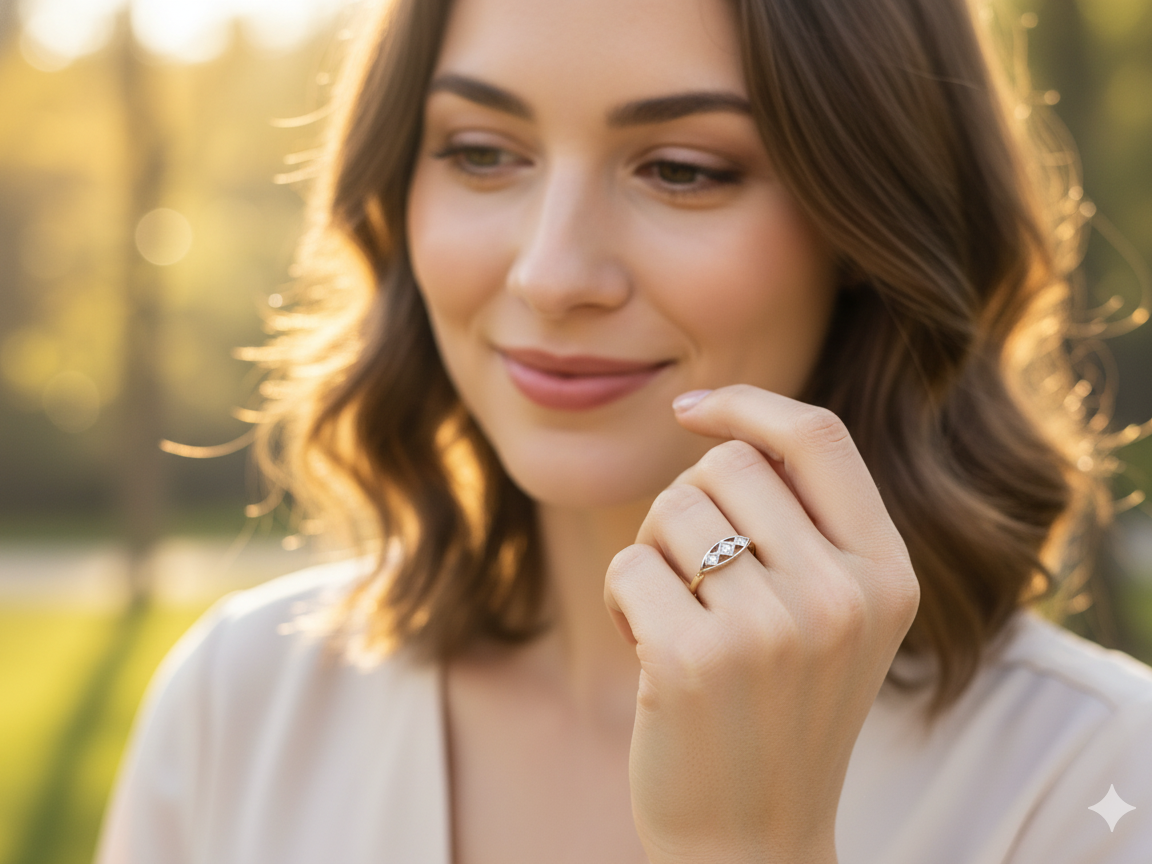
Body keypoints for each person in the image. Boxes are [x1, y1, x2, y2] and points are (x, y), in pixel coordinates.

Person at [95, 0, 1152, 861]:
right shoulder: (242, 704)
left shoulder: (1099, 780)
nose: (552, 275)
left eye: (683, 169)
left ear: (869, 228)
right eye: (479, 151)